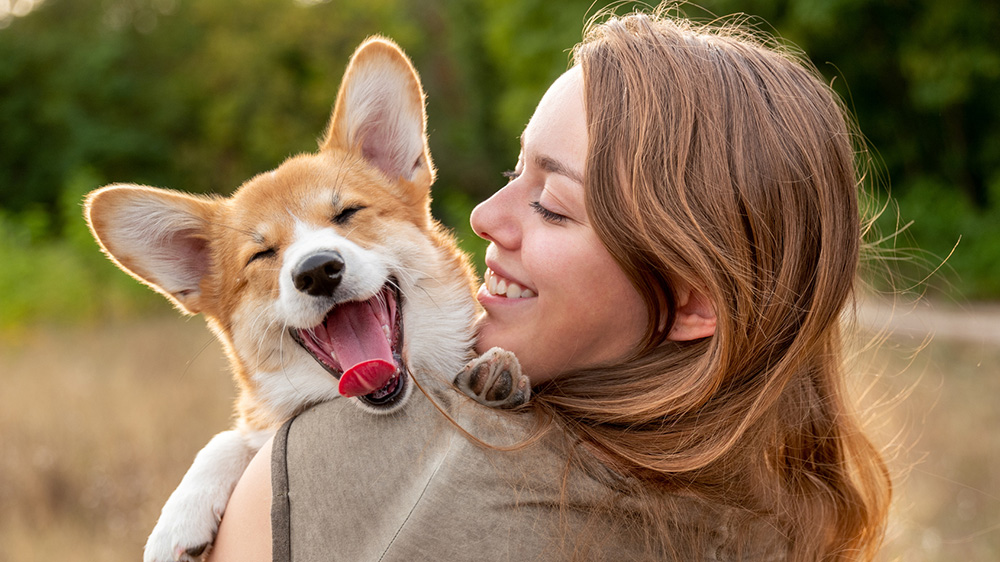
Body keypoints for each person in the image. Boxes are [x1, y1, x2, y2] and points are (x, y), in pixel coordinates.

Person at [208, 7, 891, 561]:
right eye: (515, 174)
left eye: (553, 205)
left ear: (691, 300)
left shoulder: (361, 465)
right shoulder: (785, 521)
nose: (480, 219)